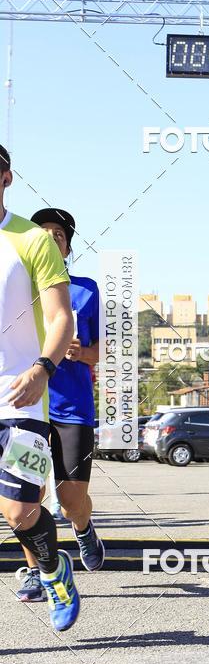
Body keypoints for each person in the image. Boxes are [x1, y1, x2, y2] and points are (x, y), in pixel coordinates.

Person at [0, 146, 80, 630]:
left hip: (21, 396)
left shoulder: (31, 239)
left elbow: (60, 317)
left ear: (6, 177)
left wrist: (42, 369)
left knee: (21, 509)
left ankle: (54, 572)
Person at [16, 208, 104, 603]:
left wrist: (81, 351)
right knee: (27, 498)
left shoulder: (86, 289)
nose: (51, 240)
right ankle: (36, 572)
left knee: (70, 501)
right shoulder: (16, 286)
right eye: (44, 233)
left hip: (72, 409)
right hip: (27, 407)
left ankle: (83, 528)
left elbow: (105, 351)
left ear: (68, 247)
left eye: (59, 235)